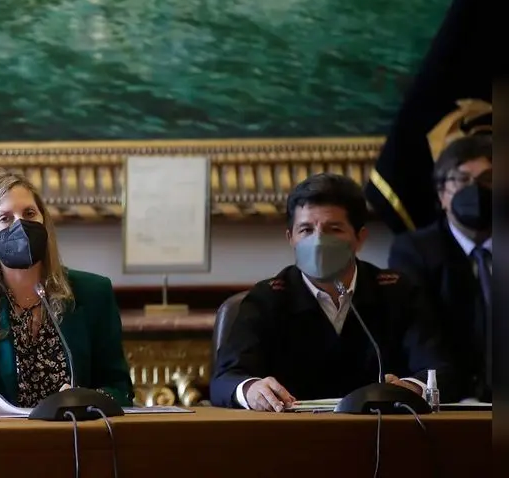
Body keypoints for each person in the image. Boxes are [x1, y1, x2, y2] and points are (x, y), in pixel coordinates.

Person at [211, 173, 458, 411]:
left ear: (359, 238)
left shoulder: (398, 292)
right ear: (291, 238)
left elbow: (441, 368)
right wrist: (252, 389)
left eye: (334, 229)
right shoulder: (268, 298)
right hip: (293, 439)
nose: (318, 242)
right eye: (306, 230)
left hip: (383, 437)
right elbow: (226, 378)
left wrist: (410, 388)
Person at [0, 168, 133, 414]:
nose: (21, 226)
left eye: (29, 214)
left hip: (74, 436)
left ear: (44, 222)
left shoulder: (93, 293)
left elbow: (119, 388)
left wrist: (87, 398)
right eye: (5, 218)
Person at [388, 135, 492, 401]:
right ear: (442, 194)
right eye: (462, 180)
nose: (476, 190)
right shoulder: (415, 251)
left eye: (489, 179)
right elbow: (423, 338)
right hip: (453, 400)